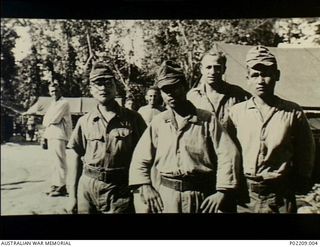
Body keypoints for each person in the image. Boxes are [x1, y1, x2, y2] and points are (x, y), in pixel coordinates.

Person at [129, 60, 240, 213]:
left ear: (185, 87)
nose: (170, 93)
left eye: (174, 87)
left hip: (201, 196)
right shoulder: (159, 122)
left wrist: (222, 191)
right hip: (167, 196)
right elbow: (140, 158)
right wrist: (144, 185)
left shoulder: (207, 119)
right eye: (165, 90)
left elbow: (228, 154)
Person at [226, 45, 315, 213]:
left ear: (277, 75)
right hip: (245, 197)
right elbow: (227, 153)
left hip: (280, 196)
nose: (260, 80)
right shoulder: (236, 112)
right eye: (255, 75)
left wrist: (300, 181)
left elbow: (306, 150)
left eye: (266, 74)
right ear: (247, 78)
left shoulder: (292, 111)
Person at [66, 62, 146, 214]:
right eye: (98, 84)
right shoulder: (85, 121)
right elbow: (75, 157)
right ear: (91, 89)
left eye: (108, 83)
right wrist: (72, 196)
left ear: (116, 87)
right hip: (88, 189)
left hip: (120, 190)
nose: (103, 88)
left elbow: (147, 156)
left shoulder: (134, 119)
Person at [23, 80, 73, 197]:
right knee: (54, 162)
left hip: (59, 134)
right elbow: (47, 120)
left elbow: (53, 119)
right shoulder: (53, 104)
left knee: (60, 161)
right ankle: (55, 184)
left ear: (60, 91)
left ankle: (62, 186)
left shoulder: (64, 103)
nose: (54, 93)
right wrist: (48, 119)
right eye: (51, 91)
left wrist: (48, 119)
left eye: (56, 91)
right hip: (51, 134)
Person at [187, 44, 250, 128]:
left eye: (217, 68)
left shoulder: (238, 95)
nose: (212, 72)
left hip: (230, 141)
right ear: (201, 69)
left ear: (224, 69)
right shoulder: (192, 96)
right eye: (208, 67)